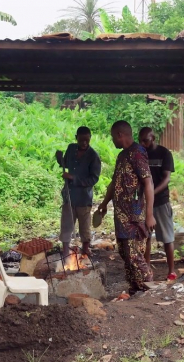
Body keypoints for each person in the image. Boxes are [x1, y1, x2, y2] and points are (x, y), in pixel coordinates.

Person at [97, 121, 156, 295]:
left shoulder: (137, 154)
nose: (112, 140)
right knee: (124, 252)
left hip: (134, 216)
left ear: (119, 135)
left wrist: (150, 215)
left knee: (134, 254)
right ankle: (135, 287)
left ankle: (150, 288)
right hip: (121, 216)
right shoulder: (122, 156)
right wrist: (103, 204)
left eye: (112, 137)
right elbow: (114, 183)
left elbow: (148, 183)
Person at [138, 127, 177, 281]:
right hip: (144, 203)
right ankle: (147, 271)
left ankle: (171, 271)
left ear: (153, 138)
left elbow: (166, 179)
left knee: (167, 237)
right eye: (140, 140)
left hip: (161, 201)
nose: (143, 143)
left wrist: (152, 193)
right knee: (146, 236)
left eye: (146, 140)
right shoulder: (140, 154)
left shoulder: (164, 153)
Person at [60, 126, 101, 259]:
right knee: (66, 223)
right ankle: (65, 251)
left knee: (84, 225)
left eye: (87, 140)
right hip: (69, 195)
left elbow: (93, 179)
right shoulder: (71, 148)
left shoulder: (93, 156)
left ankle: (85, 250)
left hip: (84, 198)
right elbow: (65, 163)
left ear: (90, 138)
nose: (84, 143)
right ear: (76, 138)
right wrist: (60, 159)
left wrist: (73, 178)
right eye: (81, 140)